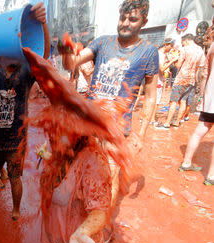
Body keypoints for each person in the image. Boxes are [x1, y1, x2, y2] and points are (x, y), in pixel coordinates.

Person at [60, 0, 159, 210]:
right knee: (79, 170)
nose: (125, 23)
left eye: (133, 19)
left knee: (110, 176)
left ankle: (102, 225)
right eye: (123, 18)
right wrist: (65, 50)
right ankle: (80, 219)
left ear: (144, 21)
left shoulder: (149, 52)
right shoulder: (102, 42)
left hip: (116, 129)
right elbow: (71, 63)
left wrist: (141, 134)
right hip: (88, 123)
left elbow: (151, 96)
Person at [35, 136, 152, 243]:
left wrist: (81, 233)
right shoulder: (62, 139)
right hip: (57, 236)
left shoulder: (93, 160)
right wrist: (46, 155)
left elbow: (100, 212)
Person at [0, 2, 50, 220]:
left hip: (17, 139)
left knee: (16, 177)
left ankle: (15, 210)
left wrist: (43, 23)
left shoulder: (26, 71)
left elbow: (42, 56)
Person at [179, 30, 214, 186]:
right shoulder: (201, 50)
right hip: (195, 85)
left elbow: (205, 71)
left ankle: (186, 162)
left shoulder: (211, 47)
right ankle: (211, 176)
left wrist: (204, 93)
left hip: (210, 95)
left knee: (200, 129)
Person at [157, 34, 206, 129]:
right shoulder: (200, 50)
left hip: (181, 78)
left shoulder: (185, 49)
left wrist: (173, 60)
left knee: (173, 101)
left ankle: (167, 123)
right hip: (192, 79)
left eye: (182, 42)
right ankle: (177, 121)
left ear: (186, 40)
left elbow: (178, 65)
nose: (182, 44)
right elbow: (201, 65)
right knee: (183, 101)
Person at [150, 38, 176, 124]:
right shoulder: (160, 54)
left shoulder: (160, 53)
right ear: (166, 45)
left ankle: (149, 118)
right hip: (156, 79)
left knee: (154, 99)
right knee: (156, 100)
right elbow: (161, 68)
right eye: (171, 46)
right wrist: (172, 61)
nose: (171, 48)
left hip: (156, 78)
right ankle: (152, 119)